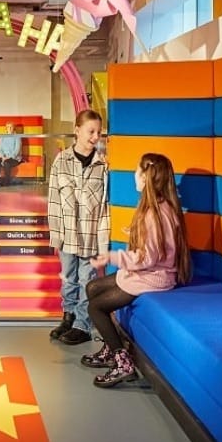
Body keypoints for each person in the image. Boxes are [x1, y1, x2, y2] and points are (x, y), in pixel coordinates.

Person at [83, 153, 191, 388]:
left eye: (137, 170)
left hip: (153, 277)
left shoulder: (154, 214)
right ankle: (111, 348)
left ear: (145, 177)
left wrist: (112, 257)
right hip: (151, 272)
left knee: (95, 307)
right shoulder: (159, 207)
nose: (134, 174)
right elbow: (154, 246)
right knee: (93, 287)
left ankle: (123, 364)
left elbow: (146, 258)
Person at [47, 109, 109, 346]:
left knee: (86, 280)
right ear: (77, 130)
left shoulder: (103, 165)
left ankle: (82, 325)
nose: (95, 137)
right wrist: (56, 235)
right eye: (91, 131)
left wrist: (103, 241)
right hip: (67, 234)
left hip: (90, 235)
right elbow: (53, 200)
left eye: (98, 132)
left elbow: (104, 207)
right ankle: (69, 317)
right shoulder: (61, 161)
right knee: (68, 279)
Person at [0, 122, 23, 187]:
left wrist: (8, 157)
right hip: (4, 157)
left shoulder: (17, 137)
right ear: (6, 128)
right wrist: (2, 156)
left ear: (13, 128)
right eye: (8, 127)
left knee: (6, 163)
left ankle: (6, 182)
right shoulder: (2, 137)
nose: (9, 128)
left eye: (11, 127)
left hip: (14, 158)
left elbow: (17, 150)